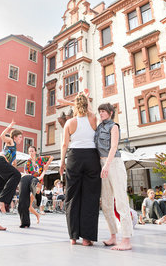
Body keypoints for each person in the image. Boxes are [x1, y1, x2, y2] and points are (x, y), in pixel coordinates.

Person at [59, 93, 101, 246]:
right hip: (91, 156)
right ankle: (87, 238)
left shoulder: (69, 122)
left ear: (74, 107)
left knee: (72, 197)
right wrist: (86, 99)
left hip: (74, 157)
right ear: (87, 104)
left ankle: (73, 236)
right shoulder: (93, 119)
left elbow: (64, 144)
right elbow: (90, 111)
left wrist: (62, 163)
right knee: (90, 197)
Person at [95, 102, 132, 251]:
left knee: (121, 202)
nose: (101, 114)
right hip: (102, 164)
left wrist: (107, 165)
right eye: (100, 112)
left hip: (113, 164)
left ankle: (126, 239)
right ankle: (113, 236)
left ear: (110, 113)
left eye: (103, 111)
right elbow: (88, 109)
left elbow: (114, 146)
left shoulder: (114, 126)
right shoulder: (99, 126)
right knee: (106, 203)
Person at [0, 120, 22, 231]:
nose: (20, 139)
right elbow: (1, 136)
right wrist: (10, 126)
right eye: (19, 137)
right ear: (14, 137)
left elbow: (13, 164)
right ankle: (3, 200)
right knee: (17, 175)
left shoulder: (14, 150)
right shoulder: (10, 141)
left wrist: (15, 169)